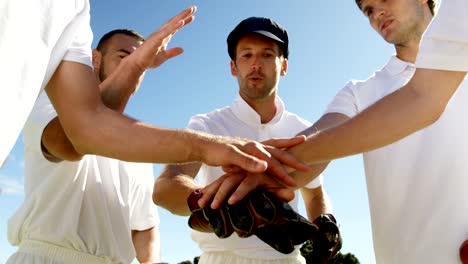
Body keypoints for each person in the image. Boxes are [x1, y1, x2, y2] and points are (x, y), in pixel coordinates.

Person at [199, 0, 468, 263]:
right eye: (368, 10)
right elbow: (317, 143)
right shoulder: (357, 93)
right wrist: (263, 174)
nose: (376, 14)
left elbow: (423, 96)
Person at [0, 2, 305, 187]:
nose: (255, 64)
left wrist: (135, 66)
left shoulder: (74, 10)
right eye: (123, 56)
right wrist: (208, 147)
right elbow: (70, 138)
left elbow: (83, 128)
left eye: (266, 55)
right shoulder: (51, 92)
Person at [153, 17, 333, 264]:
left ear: (284, 66)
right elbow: (165, 187)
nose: (256, 64)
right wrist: (216, 204)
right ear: (233, 67)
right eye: (246, 55)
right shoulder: (207, 125)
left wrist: (325, 224)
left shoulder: (302, 129)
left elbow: (315, 195)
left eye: (267, 55)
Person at [6, 29, 162, 264]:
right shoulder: (51, 101)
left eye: (142, 59)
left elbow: (143, 227)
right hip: (46, 257)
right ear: (96, 59)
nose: (137, 65)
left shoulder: (139, 140)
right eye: (124, 56)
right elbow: (68, 142)